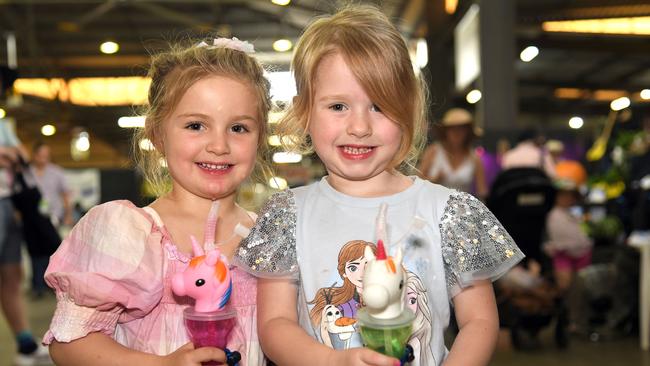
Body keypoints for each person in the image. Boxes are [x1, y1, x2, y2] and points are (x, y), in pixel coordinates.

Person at [235, 6, 524, 366]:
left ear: (409, 110)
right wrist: (332, 361)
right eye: (338, 105)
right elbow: (275, 323)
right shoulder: (287, 215)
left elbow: (479, 321)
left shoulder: (448, 211)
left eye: (379, 106)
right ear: (304, 111)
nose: (359, 127)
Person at [43, 36, 272, 366]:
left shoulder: (270, 237)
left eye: (238, 128)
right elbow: (69, 344)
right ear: (157, 135)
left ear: (260, 138)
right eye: (196, 125)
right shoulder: (130, 233)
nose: (219, 145)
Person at [0, 125, 51, 365]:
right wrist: (8, 153)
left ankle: (25, 345)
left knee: (12, 275)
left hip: (9, 203)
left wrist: (10, 153)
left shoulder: (3, 123)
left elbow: (22, 154)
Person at [27, 141, 71, 297]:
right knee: (35, 251)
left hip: (53, 217)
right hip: (32, 218)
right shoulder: (26, 173)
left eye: (46, 156)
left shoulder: (57, 172)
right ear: (34, 155)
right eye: (40, 155)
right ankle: (38, 286)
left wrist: (68, 215)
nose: (43, 159)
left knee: (54, 250)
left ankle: (54, 285)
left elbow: (66, 194)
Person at [417, 108, 488, 198]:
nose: (456, 133)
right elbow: (417, 184)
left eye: (461, 129)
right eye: (452, 129)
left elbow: (482, 192)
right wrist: (434, 180)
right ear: (446, 131)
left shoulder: (475, 158)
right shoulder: (433, 151)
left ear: (467, 132)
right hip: (432, 206)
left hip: (461, 209)